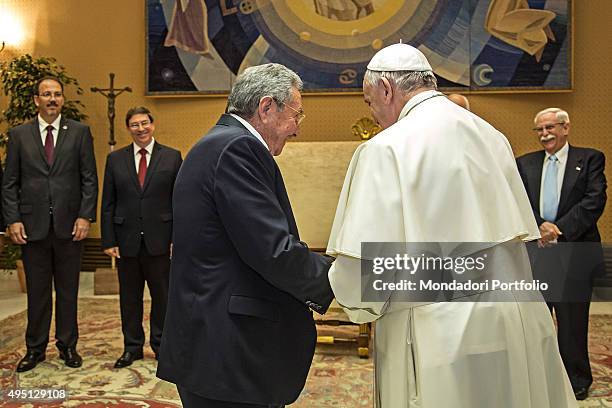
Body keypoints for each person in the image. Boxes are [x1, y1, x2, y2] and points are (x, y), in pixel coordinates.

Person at [326, 43, 577, 407]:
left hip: (436, 327)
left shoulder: (386, 148)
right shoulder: (492, 135)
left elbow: (364, 271)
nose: (375, 114)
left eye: (370, 102)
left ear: (386, 89)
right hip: (514, 314)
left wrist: (343, 292)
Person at [156, 63, 334, 408]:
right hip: (230, 352)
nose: (296, 129)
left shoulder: (216, 143)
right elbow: (274, 252)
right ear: (266, 107)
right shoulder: (238, 148)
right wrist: (346, 277)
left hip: (213, 345)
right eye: (296, 115)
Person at [2, 76, 98, 372]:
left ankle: (68, 346)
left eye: (57, 94)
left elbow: (89, 179)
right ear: (36, 100)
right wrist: (13, 220)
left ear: (62, 100)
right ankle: (35, 349)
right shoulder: (19, 135)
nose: (52, 99)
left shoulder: (79, 132)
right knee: (38, 291)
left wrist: (85, 215)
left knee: (68, 291)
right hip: (32, 228)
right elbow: (9, 183)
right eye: (46, 94)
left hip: (71, 227)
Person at [516, 108, 606, 400]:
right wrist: (538, 228)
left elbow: (594, 201)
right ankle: (539, 379)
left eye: (550, 128)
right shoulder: (525, 164)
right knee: (536, 322)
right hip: (537, 255)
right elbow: (517, 202)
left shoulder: (590, 158)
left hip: (575, 252)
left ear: (566, 128)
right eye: (540, 130)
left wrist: (558, 229)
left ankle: (576, 380)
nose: (545, 134)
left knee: (572, 323)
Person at [101, 107, 182, 368]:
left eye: (144, 123)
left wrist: (177, 238)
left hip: (161, 240)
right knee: (129, 298)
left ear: (153, 124)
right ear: (129, 129)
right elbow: (108, 203)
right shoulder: (115, 160)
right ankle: (132, 347)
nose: (140, 128)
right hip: (126, 242)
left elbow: (179, 201)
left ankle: (161, 346)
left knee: (163, 297)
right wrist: (109, 240)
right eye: (134, 125)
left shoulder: (171, 157)